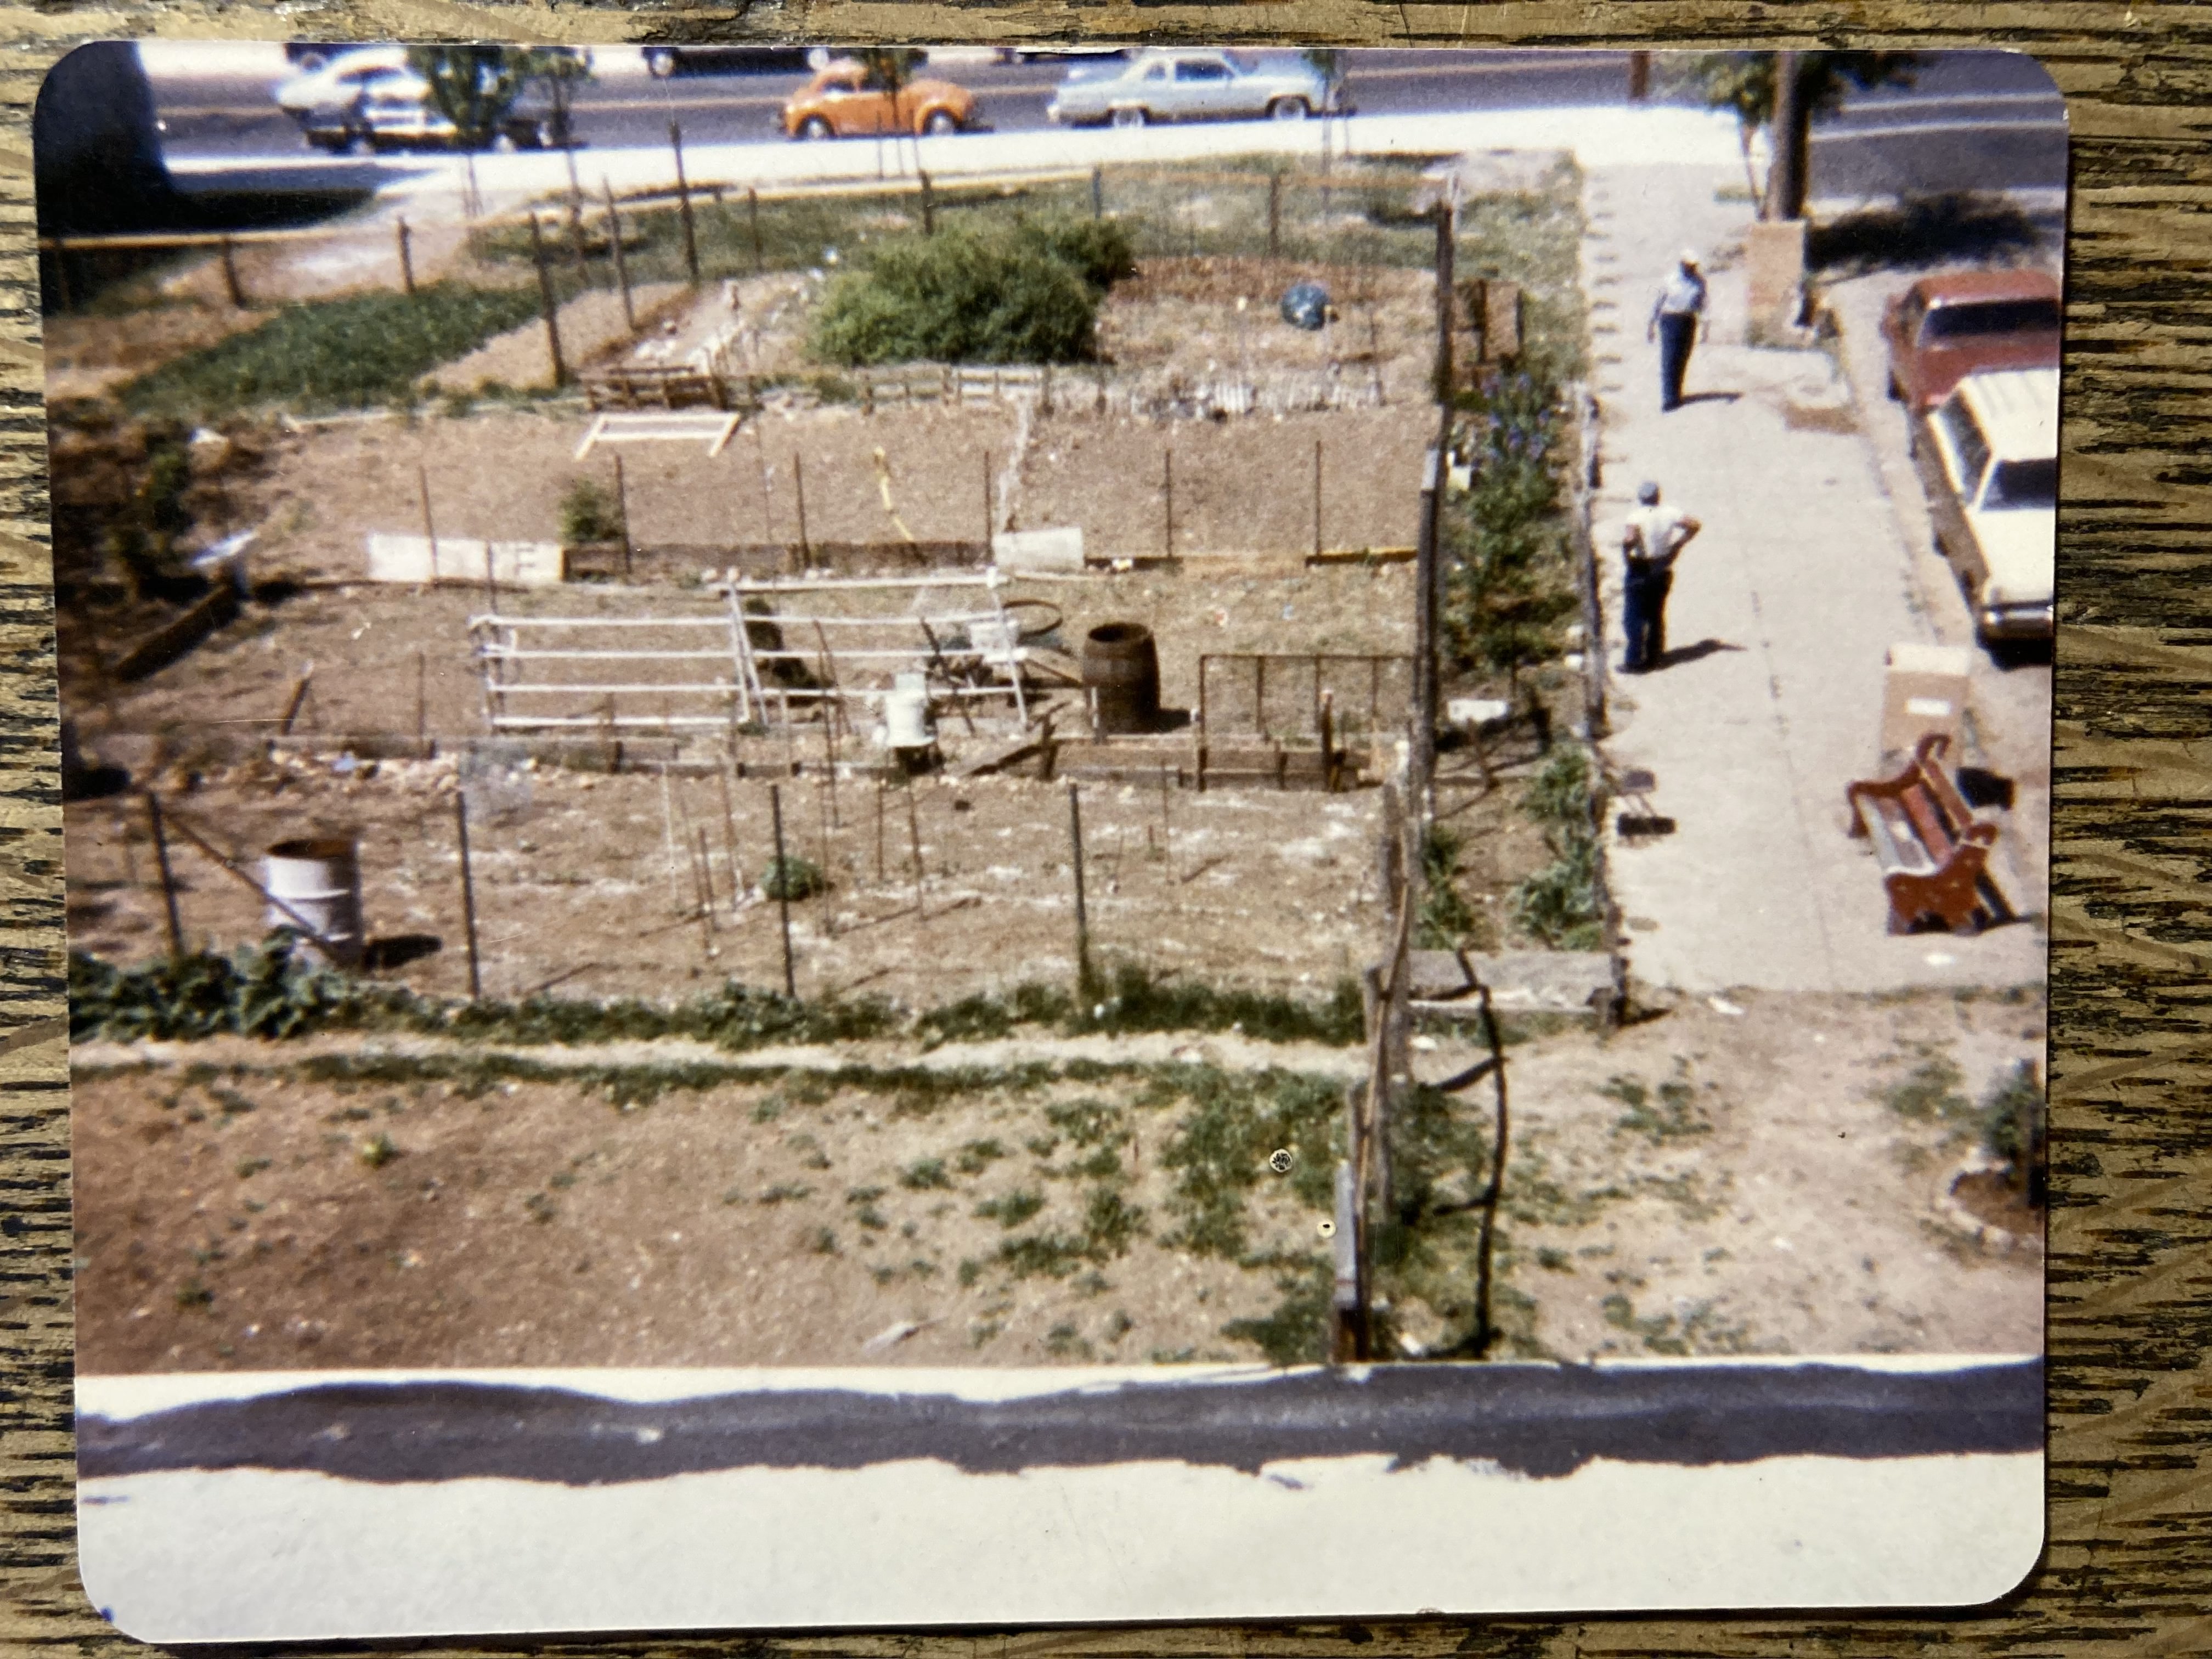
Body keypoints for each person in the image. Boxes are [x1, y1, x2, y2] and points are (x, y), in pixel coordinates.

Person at [1621, 481, 1701, 673]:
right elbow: (1694, 525)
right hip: (1662, 565)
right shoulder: (1671, 513)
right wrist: (1677, 545)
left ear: (1641, 498)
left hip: (1641, 567)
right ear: (1658, 496)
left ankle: (1634, 660)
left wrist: (1625, 552)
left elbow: (1630, 539)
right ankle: (1655, 655)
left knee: (1634, 616)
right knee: (1656, 613)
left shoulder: (1636, 517)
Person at [1647, 250, 1708, 412]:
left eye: (1694, 265)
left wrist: (1705, 327)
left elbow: (1702, 305)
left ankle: (1677, 392)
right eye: (1689, 265)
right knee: (1670, 357)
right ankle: (1669, 398)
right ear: (1682, 264)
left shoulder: (1699, 282)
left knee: (1683, 357)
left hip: (1688, 320)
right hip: (1670, 319)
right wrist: (1651, 324)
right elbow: (1657, 302)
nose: (1692, 268)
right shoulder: (1669, 280)